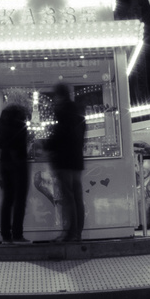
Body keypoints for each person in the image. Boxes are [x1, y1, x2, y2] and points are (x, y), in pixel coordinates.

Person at [50, 83, 86, 242]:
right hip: (76, 160)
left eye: (56, 96)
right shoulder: (78, 112)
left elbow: (61, 136)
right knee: (76, 197)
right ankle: (77, 233)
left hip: (65, 161)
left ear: (60, 96)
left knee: (68, 198)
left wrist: (47, 144)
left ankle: (70, 234)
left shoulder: (63, 113)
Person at [0, 101, 29, 243]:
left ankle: (5, 236)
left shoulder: (2, 123)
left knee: (7, 200)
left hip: (5, 162)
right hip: (18, 164)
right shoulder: (20, 124)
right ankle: (17, 235)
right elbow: (22, 145)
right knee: (20, 201)